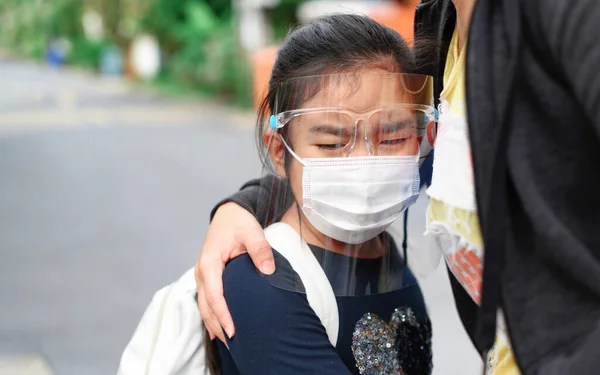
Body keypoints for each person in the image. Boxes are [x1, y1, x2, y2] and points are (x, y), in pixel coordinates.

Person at [203, 14, 439, 375]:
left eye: (392, 138)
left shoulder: (385, 251)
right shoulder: (263, 283)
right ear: (281, 152)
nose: (365, 163)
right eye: (332, 143)